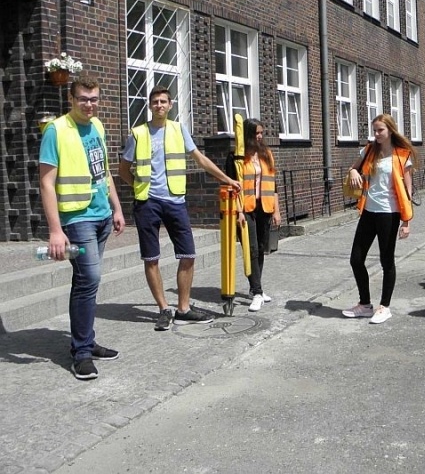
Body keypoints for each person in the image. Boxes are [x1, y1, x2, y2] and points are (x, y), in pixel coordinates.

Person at [119, 87, 240, 331]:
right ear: (150, 105)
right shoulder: (138, 134)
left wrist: (226, 178)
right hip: (147, 203)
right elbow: (123, 169)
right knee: (151, 258)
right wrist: (140, 188)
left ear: (170, 105)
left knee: (188, 254)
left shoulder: (178, 129)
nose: (159, 105)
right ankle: (164, 308)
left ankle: (183, 308)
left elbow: (200, 159)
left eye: (163, 101)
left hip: (175, 200)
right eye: (155, 102)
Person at [39, 75, 126, 380]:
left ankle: (85, 342)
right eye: (83, 99)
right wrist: (55, 230)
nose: (89, 105)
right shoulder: (56, 130)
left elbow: (103, 173)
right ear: (71, 100)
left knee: (86, 281)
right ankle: (82, 353)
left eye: (94, 99)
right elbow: (46, 183)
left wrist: (116, 207)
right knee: (89, 277)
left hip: (101, 216)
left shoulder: (98, 126)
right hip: (77, 219)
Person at [342, 114, 416, 325]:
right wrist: (353, 172)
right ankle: (365, 305)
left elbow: (407, 190)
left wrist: (406, 222)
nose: (376, 134)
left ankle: (385, 307)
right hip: (368, 211)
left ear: (390, 130)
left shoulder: (402, 155)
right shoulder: (368, 151)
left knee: (386, 260)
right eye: (374, 130)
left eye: (380, 130)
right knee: (356, 259)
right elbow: (354, 168)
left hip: (389, 213)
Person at [232, 118, 282, 312]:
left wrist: (277, 210)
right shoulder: (237, 157)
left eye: (261, 133)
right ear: (247, 135)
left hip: (265, 208)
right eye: (256, 133)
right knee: (250, 249)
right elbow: (233, 187)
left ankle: (256, 288)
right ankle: (257, 291)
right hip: (246, 209)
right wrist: (238, 211)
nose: (259, 137)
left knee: (261, 248)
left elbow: (274, 184)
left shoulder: (266, 154)